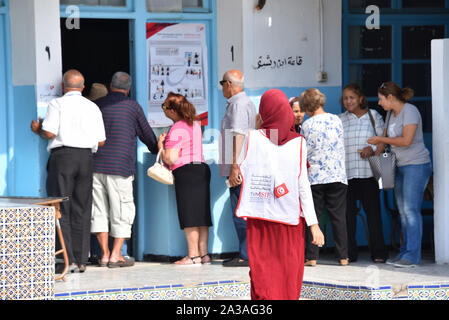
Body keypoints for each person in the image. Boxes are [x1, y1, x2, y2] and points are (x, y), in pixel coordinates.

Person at [236, 89, 325, 300]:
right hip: (290, 222)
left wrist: (258, 129)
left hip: (260, 220)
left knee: (262, 274)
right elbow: (303, 184)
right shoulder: (299, 142)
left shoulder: (251, 138)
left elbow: (241, 169)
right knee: (288, 275)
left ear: (263, 112)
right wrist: (313, 224)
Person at [30, 69, 106, 273]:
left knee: (61, 207)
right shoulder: (92, 107)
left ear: (63, 87)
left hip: (63, 158)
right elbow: (101, 140)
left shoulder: (57, 104)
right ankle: (81, 260)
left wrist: (37, 129)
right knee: (82, 207)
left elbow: (50, 132)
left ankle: (67, 259)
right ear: (82, 87)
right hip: (86, 159)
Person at [90, 72, 158, 268]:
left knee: (99, 210)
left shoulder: (98, 105)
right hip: (120, 167)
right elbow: (147, 135)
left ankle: (103, 254)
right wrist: (157, 148)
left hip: (95, 165)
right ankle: (116, 255)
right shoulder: (132, 107)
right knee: (122, 211)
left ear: (110, 86)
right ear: (128, 89)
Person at [368, 81, 432, 268]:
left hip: (416, 166)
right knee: (403, 211)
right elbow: (384, 141)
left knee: (411, 211)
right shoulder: (390, 114)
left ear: (390, 97)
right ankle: (405, 252)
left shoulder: (410, 111)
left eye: (381, 99)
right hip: (399, 166)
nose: (379, 103)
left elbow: (406, 140)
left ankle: (412, 256)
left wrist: (379, 138)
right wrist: (375, 159)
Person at [158, 92, 212, 266]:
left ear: (173, 111)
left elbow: (170, 158)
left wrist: (161, 144)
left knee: (189, 215)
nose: (164, 110)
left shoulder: (176, 129)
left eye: (165, 107)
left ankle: (193, 256)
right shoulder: (195, 125)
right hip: (201, 169)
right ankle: (204, 255)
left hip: (186, 172)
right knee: (201, 215)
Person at [339, 84, 388, 263]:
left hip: (369, 174)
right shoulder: (340, 119)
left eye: (352, 97)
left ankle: (379, 252)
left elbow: (383, 140)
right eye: (345, 98)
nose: (348, 101)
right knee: (347, 217)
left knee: (373, 215)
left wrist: (372, 148)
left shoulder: (373, 116)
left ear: (360, 98)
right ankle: (349, 253)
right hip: (347, 174)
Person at [299, 88, 349, 266]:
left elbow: (304, 152)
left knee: (314, 217)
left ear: (307, 107)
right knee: (339, 217)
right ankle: (343, 256)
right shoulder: (336, 120)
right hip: (337, 175)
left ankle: (312, 257)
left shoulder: (306, 126)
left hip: (315, 177)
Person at [219, 69, 257, 267]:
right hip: (244, 165)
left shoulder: (238, 105)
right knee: (241, 210)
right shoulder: (243, 102)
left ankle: (246, 255)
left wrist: (234, 167)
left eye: (222, 84)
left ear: (228, 84)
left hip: (240, 167)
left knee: (240, 211)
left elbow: (239, 135)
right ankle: (245, 252)